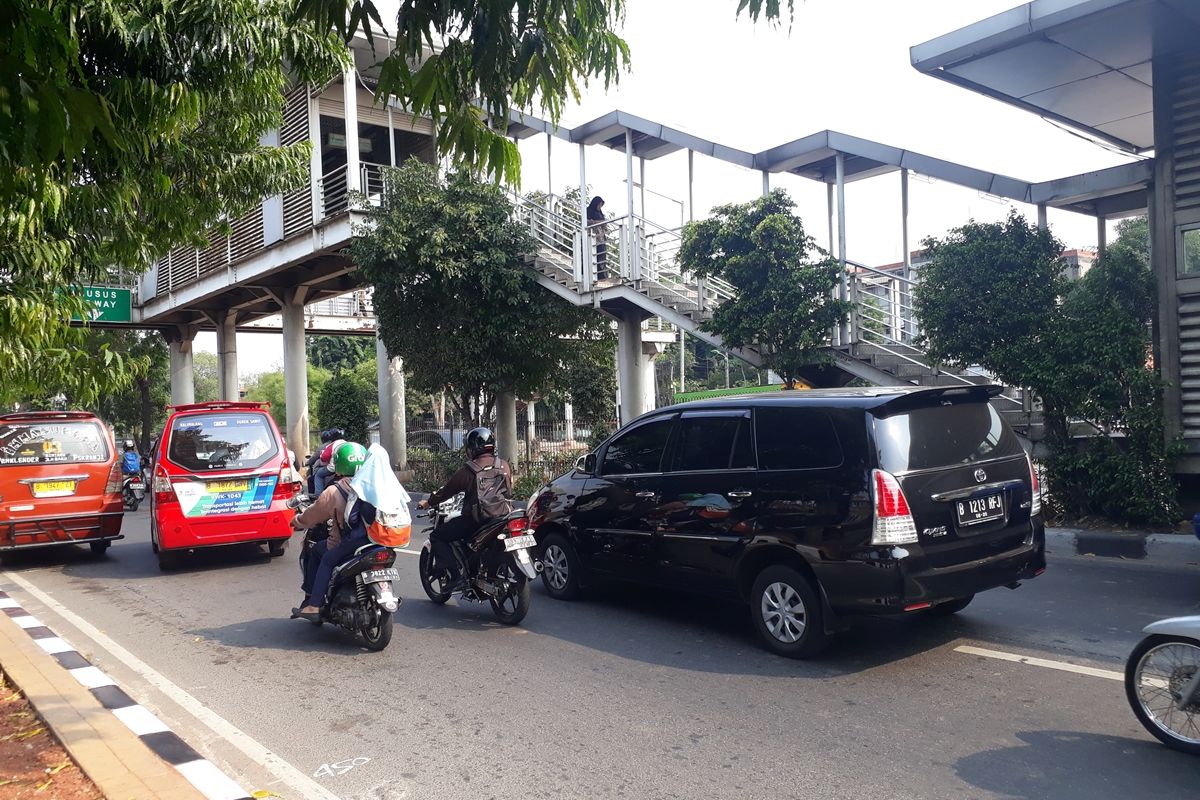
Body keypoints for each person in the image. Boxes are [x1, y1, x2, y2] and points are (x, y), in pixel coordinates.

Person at [417, 427, 513, 589]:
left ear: (472, 448)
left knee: (437, 536)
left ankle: (455, 577)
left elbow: (446, 492)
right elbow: (509, 490)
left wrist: (428, 502)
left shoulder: (470, 470)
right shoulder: (504, 465)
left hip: (477, 520)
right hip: (503, 516)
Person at [290, 441, 370, 621]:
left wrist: (297, 521)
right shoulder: (374, 484)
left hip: (348, 542)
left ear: (339, 466)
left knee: (319, 552)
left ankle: (314, 604)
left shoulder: (333, 491)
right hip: (377, 540)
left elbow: (312, 516)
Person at [586, 196, 609, 281]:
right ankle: (595, 275)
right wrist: (598, 222)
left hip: (601, 237)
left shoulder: (600, 213)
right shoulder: (589, 211)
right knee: (594, 255)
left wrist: (603, 223)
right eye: (599, 205)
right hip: (593, 237)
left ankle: (602, 275)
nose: (600, 207)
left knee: (601, 255)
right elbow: (587, 222)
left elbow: (604, 223)